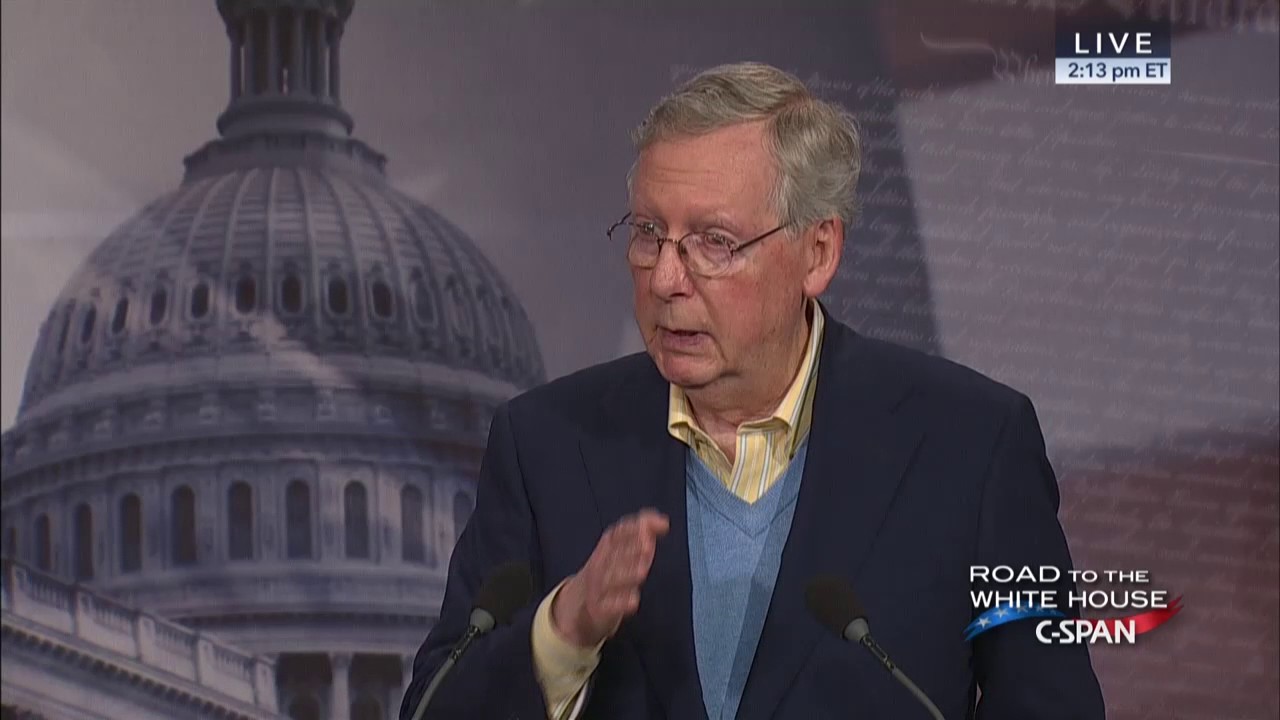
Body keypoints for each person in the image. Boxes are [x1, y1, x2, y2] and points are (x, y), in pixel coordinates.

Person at [401, 61, 1105, 720]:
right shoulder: (545, 443)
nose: (666, 279)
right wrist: (563, 632)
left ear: (818, 252)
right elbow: (433, 707)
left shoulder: (972, 446)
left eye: (714, 241)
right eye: (648, 233)